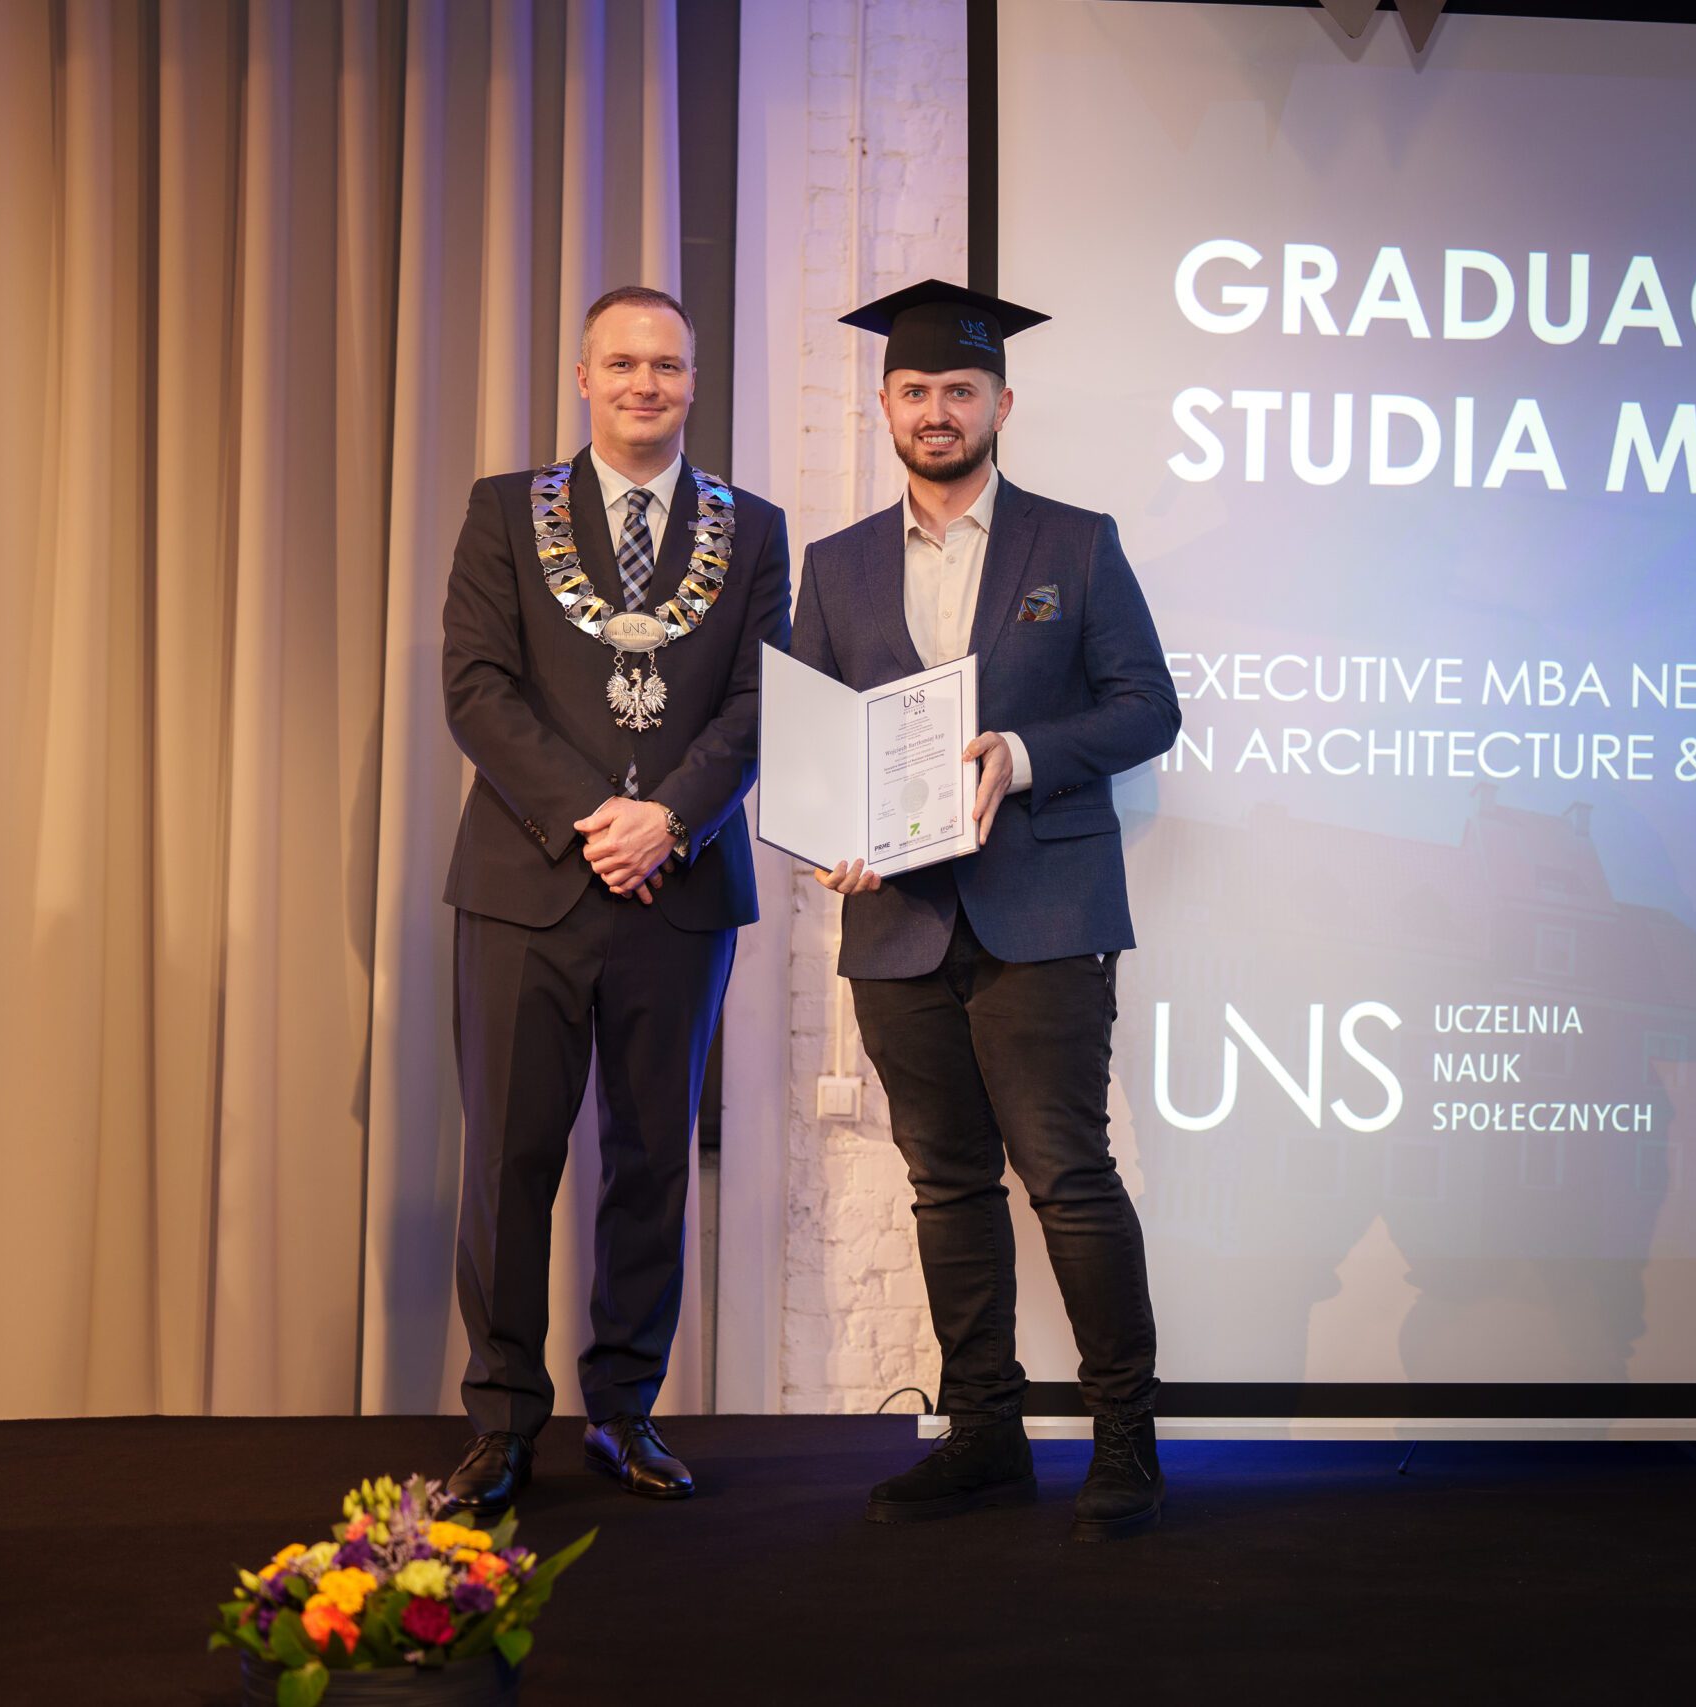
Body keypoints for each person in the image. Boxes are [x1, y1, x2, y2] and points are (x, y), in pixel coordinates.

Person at [792, 281, 1180, 1539]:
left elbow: (1148, 708)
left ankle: (1125, 1441)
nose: (937, 410)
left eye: (960, 390)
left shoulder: (1076, 543)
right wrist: (830, 834)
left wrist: (1022, 751)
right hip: (897, 926)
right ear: (885, 405)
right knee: (946, 1185)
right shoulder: (836, 566)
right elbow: (812, 742)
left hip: (1045, 913)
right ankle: (984, 1437)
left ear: (1001, 403)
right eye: (915, 390)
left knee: (1066, 1176)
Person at [436, 284, 790, 1517]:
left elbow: (759, 702)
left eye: (669, 366)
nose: (647, 384)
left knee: (652, 1164)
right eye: (624, 363)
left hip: (677, 893)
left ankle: (626, 1410)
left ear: (694, 382)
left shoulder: (753, 529)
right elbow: (476, 687)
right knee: (510, 1162)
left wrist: (669, 820)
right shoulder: (504, 510)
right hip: (527, 884)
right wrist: (599, 817)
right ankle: (501, 1424)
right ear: (584, 376)